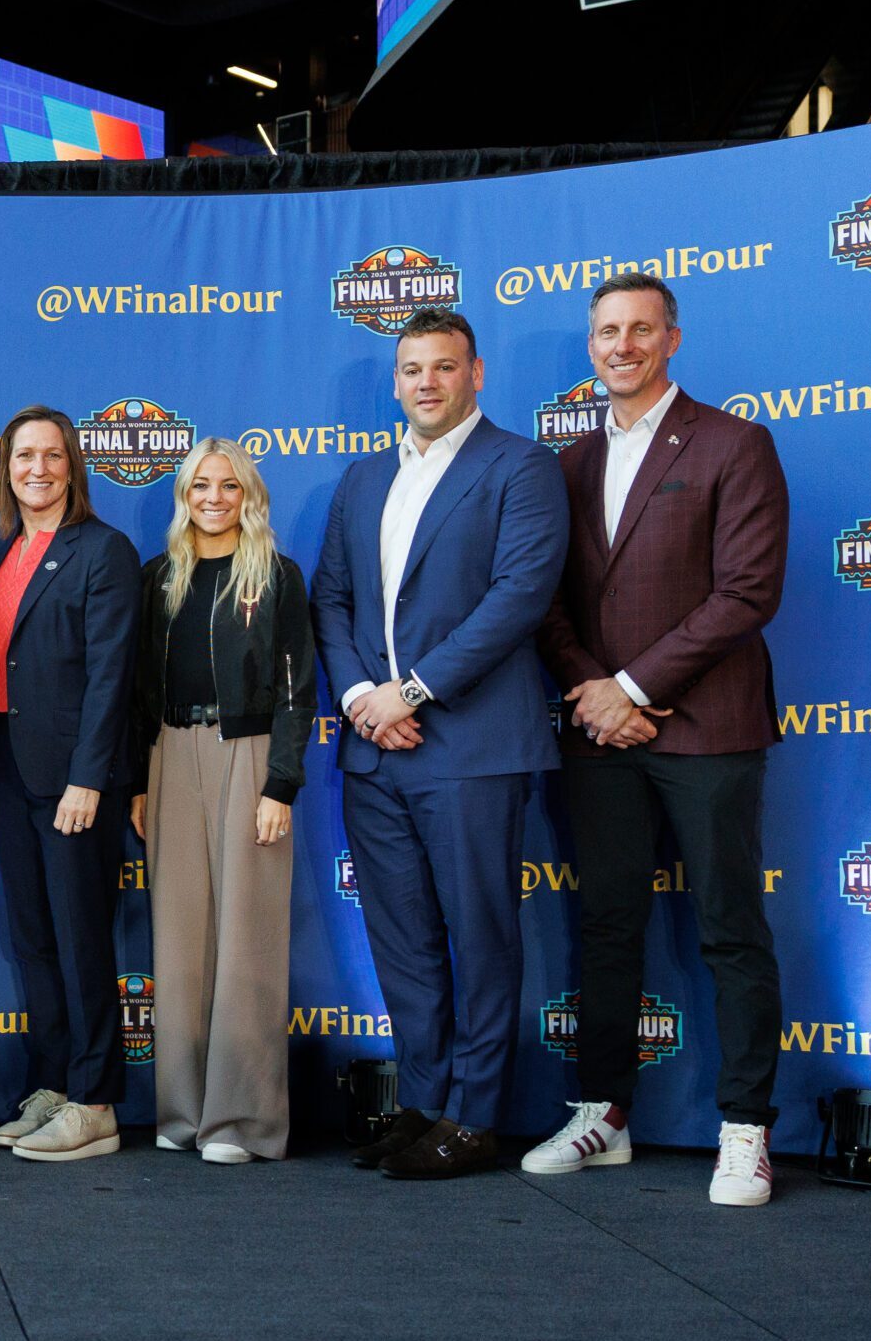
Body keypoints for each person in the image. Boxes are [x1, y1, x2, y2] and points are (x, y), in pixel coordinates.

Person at [527, 272, 790, 1207]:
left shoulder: (733, 443)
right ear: (590, 345)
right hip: (599, 737)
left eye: (641, 329)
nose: (623, 346)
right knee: (606, 927)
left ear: (672, 339)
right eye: (608, 331)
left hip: (709, 729)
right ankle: (602, 1113)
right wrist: (594, 695)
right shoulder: (566, 464)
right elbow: (546, 602)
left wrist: (630, 688)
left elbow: (747, 592)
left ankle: (746, 1130)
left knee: (729, 929)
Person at [310, 308, 570, 1181]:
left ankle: (476, 1116)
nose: (427, 382)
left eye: (444, 366)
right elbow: (331, 600)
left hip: (473, 747)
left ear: (476, 374)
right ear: (395, 382)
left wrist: (411, 691)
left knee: (481, 938)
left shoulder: (521, 466)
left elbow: (519, 595)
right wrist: (361, 700)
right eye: (413, 369)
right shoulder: (364, 477)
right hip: (374, 751)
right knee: (403, 940)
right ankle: (423, 1104)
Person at [127, 438, 315, 1165]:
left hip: (251, 753)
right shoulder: (158, 578)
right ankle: (181, 1112)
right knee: (178, 944)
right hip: (169, 754)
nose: (213, 498)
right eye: (200, 485)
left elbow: (297, 690)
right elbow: (139, 688)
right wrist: (139, 781)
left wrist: (281, 784)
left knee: (246, 940)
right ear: (184, 495)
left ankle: (241, 1121)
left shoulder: (276, 575)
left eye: (228, 486)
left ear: (249, 496)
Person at [0, 406, 141, 1163]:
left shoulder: (103, 550)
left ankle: (96, 1100)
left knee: (79, 939)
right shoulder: (1, 547)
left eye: (51, 455)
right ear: (6, 470)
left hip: (73, 777)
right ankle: (53, 1082)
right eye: (23, 457)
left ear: (73, 464)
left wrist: (89, 779)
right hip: (6, 767)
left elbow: (111, 677)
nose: (36, 469)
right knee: (34, 939)